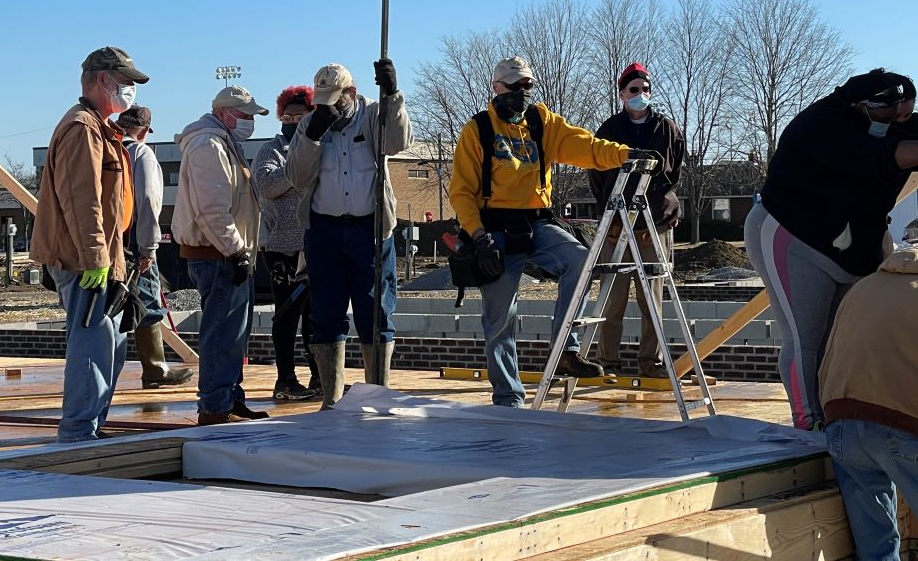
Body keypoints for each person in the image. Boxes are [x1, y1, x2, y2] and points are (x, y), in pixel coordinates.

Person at [448, 55, 635, 408]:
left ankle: (566, 349)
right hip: (495, 228)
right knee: (500, 319)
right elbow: (461, 192)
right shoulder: (479, 130)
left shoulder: (542, 122)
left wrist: (625, 155)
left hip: (537, 222)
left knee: (580, 261)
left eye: (527, 87)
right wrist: (478, 235)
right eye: (514, 87)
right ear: (497, 88)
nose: (521, 94)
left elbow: (587, 147)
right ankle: (508, 399)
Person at [745, 68, 918, 430]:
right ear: (864, 106)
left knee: (845, 336)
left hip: (855, 244)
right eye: (891, 115)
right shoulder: (820, 125)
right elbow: (874, 157)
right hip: (792, 236)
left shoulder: (895, 124)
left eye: (907, 115)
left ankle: (840, 416)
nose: (899, 122)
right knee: (805, 335)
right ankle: (808, 421)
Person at [30, 46, 149, 442]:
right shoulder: (82, 128)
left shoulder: (99, 128)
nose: (130, 91)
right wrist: (96, 257)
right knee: (92, 345)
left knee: (108, 344)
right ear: (103, 80)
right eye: (126, 82)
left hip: (104, 257)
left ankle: (90, 426)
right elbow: (84, 201)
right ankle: (78, 431)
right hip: (86, 260)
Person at [286, 60, 412, 409]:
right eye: (322, 102)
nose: (329, 109)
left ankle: (378, 393)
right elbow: (296, 176)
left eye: (335, 101)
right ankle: (331, 398)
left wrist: (393, 96)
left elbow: (398, 142)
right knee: (325, 313)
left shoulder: (374, 115)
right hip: (324, 230)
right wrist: (312, 136)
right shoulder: (311, 125)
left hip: (369, 230)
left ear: (352, 93)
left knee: (375, 311)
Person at [172, 86, 270, 424]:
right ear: (225, 113)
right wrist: (235, 251)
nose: (249, 122)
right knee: (222, 333)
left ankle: (227, 398)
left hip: (226, 252)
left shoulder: (224, 144)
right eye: (244, 115)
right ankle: (215, 406)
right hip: (217, 254)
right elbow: (212, 209)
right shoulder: (207, 146)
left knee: (233, 334)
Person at [819, 248, 918, 561]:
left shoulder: (864, 287)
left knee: (877, 548)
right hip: (902, 426)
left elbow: (827, 359)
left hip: (841, 424)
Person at [588, 63, 685, 378]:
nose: (640, 95)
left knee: (651, 302)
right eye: (634, 90)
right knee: (612, 301)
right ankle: (608, 362)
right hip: (617, 227)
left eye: (645, 90)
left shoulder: (667, 129)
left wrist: (659, 217)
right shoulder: (609, 131)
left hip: (654, 227)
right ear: (622, 94)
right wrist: (611, 217)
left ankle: (651, 363)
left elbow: (673, 173)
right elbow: (597, 177)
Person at [115, 105, 193, 390]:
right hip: (135, 235)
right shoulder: (140, 153)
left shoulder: (103, 148)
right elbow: (148, 201)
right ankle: (155, 368)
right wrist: (149, 247)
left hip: (107, 237)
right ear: (145, 131)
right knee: (147, 299)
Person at [251, 85, 320, 401]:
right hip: (281, 246)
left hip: (316, 245)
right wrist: (299, 169)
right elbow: (266, 185)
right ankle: (286, 379)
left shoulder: (322, 146)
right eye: (287, 116)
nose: (292, 121)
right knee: (287, 315)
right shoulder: (271, 151)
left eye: (300, 116)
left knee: (316, 317)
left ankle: (321, 377)